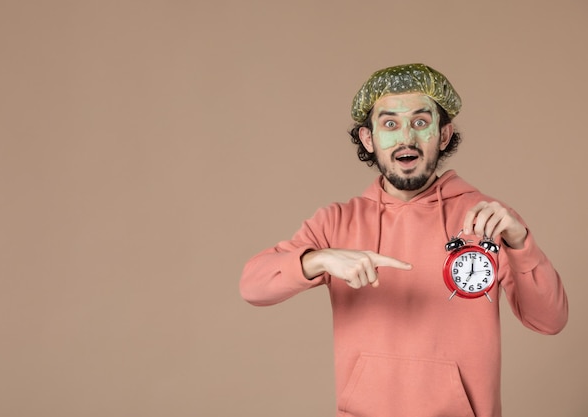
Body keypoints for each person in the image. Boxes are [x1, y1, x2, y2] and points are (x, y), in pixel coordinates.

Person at [239, 63, 568, 417]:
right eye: (390, 124)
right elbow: (253, 286)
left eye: (421, 122)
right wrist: (319, 259)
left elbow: (549, 321)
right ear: (369, 139)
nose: (406, 137)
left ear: (443, 135)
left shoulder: (486, 219)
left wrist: (519, 243)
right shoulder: (336, 222)